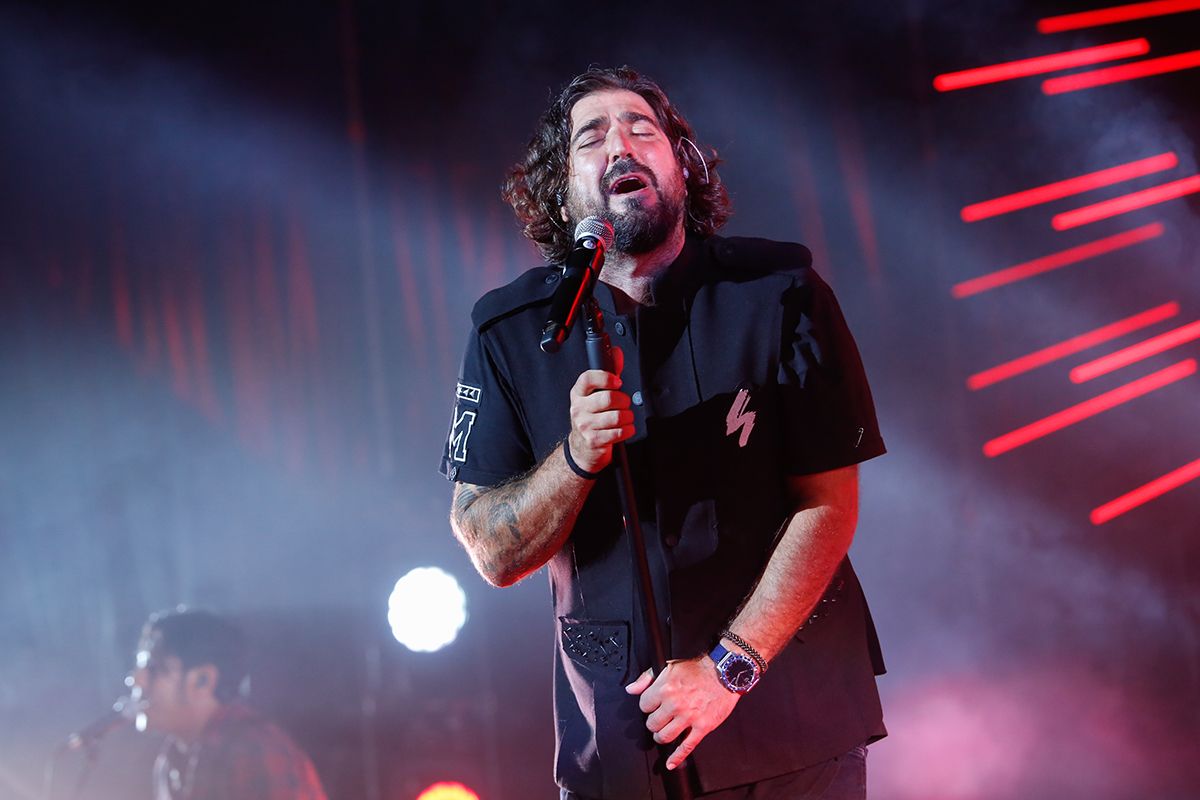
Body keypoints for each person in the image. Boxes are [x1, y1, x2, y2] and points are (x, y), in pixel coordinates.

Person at [441, 66, 887, 799]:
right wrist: (575, 459)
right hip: (617, 745)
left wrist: (728, 667)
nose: (620, 144)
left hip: (791, 723)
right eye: (593, 137)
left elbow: (829, 504)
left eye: (642, 129)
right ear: (562, 191)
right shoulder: (510, 332)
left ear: (683, 166)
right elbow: (491, 549)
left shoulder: (780, 293)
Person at [128, 607, 328, 800]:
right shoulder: (171, 760)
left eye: (154, 669)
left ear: (203, 680)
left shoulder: (255, 749)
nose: (136, 680)